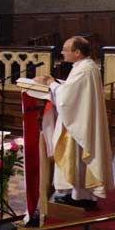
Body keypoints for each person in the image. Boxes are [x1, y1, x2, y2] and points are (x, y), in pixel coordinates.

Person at [35, 36, 114, 206]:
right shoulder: (84, 66)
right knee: (75, 159)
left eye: (65, 49)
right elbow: (72, 90)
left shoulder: (84, 70)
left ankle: (80, 197)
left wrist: (51, 83)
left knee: (76, 158)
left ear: (77, 52)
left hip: (78, 125)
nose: (62, 52)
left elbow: (66, 98)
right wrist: (56, 83)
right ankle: (76, 194)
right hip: (80, 120)